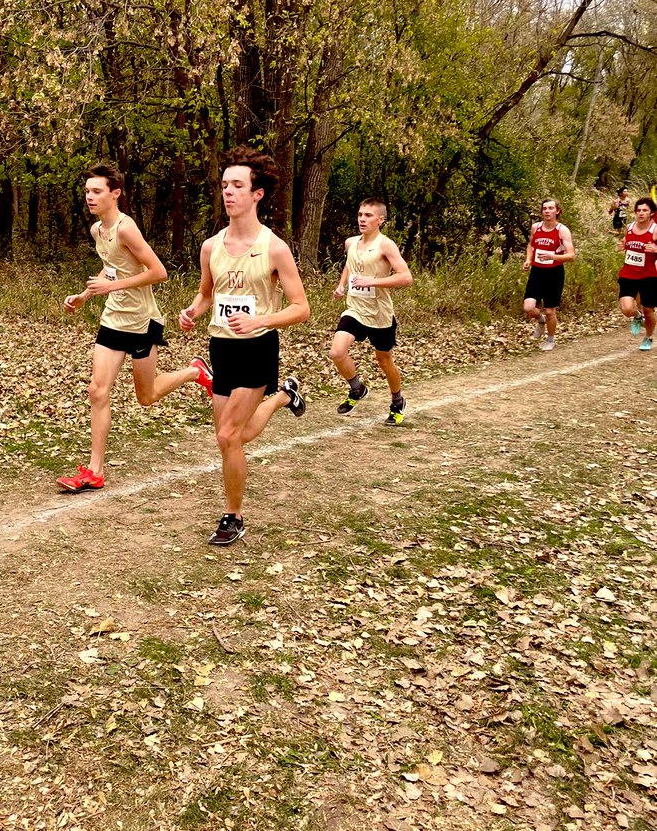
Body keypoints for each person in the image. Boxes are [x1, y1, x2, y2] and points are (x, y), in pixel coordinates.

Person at [179, 149, 310, 546]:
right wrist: (193, 311)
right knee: (236, 434)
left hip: (257, 347)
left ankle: (233, 516)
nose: (228, 192)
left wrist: (260, 320)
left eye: (238, 185)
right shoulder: (210, 247)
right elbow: (206, 294)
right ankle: (284, 397)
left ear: (257, 194)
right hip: (221, 347)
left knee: (227, 436)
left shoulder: (274, 248)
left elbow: (301, 308)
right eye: (225, 185)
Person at [58, 164, 213, 492]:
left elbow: (159, 272)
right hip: (114, 319)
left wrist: (111, 287)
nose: (90, 197)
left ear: (115, 193)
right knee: (97, 390)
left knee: (147, 396)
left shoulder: (126, 228)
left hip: (142, 321)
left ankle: (194, 371)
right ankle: (95, 471)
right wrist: (85, 296)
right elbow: (111, 268)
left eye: (97, 191)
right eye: (87, 191)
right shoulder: (97, 230)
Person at [330, 199, 413, 425]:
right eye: (360, 214)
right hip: (355, 309)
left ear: (380, 220)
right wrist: (341, 285)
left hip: (379, 314)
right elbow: (350, 264)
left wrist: (372, 281)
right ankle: (357, 388)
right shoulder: (351, 242)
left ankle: (397, 401)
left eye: (368, 215)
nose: (362, 219)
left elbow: (406, 278)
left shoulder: (386, 245)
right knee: (337, 352)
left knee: (384, 361)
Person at [522, 199, 575, 351]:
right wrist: (528, 260)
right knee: (528, 307)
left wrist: (553, 256)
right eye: (544, 208)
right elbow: (531, 245)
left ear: (557, 211)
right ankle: (541, 320)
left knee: (550, 311)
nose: (547, 211)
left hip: (554, 273)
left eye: (550, 208)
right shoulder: (536, 227)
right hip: (537, 272)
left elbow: (571, 255)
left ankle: (550, 339)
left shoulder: (562, 230)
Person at [617, 196, 657, 352]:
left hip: (648, 276)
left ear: (651, 213)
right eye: (638, 210)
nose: (641, 213)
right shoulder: (630, 226)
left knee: (649, 311)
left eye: (645, 210)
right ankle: (637, 316)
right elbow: (627, 241)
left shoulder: (655, 230)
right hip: (628, 274)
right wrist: (623, 244)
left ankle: (648, 337)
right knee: (627, 309)